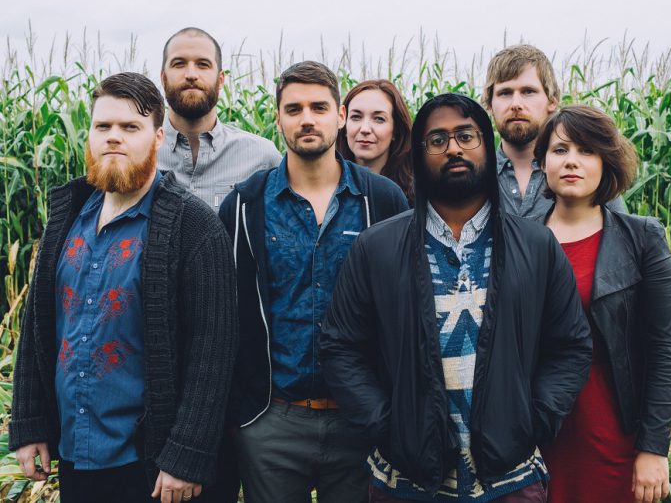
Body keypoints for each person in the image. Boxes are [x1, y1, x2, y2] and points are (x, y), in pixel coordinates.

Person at [320, 93, 592, 502]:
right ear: (418, 155)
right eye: (437, 140)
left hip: (511, 481)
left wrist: (532, 420)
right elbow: (341, 347)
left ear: (486, 144)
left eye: (467, 136)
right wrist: (387, 425)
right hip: (406, 482)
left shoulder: (536, 246)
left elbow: (570, 346)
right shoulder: (376, 247)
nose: (453, 148)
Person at [10, 72, 236, 503]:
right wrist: (29, 422)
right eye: (103, 127)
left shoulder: (193, 228)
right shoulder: (66, 219)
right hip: (76, 455)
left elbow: (214, 352)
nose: (114, 137)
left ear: (157, 135)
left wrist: (185, 456)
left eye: (130, 127)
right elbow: (39, 325)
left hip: (152, 468)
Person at [218, 60, 409, 503]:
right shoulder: (245, 205)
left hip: (360, 419)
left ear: (339, 116)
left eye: (319, 107)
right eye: (294, 108)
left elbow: (405, 306)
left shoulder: (381, 200)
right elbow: (226, 313)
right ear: (278, 117)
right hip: (272, 421)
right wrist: (243, 414)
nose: (307, 119)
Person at [533, 105, 671, 503]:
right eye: (560, 150)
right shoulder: (520, 241)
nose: (572, 161)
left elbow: (664, 349)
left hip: (616, 431)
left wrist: (653, 448)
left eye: (587, 150)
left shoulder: (642, 239)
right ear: (543, 161)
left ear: (606, 161)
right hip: (537, 435)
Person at [483, 44, 625, 218]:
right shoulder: (474, 175)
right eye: (505, 93)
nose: (516, 104)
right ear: (490, 104)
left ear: (552, 100)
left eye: (528, 91)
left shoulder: (585, 174)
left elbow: (620, 239)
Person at [158, 27, 281, 210]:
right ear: (163, 78)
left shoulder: (263, 157)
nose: (191, 74)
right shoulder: (137, 155)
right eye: (179, 64)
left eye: (203, 64)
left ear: (221, 79)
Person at [337, 79, 414, 202]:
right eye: (356, 117)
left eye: (379, 119)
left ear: (396, 130)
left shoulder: (417, 195)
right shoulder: (327, 192)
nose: (365, 129)